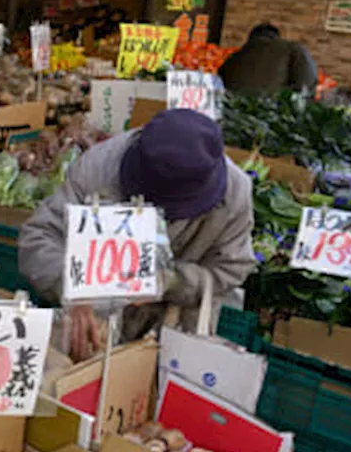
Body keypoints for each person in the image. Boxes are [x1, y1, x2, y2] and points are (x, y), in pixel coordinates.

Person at [17, 109, 255, 361]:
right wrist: (70, 289)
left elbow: (230, 269)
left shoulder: (234, 194)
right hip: (91, 328)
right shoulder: (99, 168)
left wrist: (169, 281)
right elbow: (39, 236)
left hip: (176, 332)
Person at [219, 23, 319, 96]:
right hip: (273, 114)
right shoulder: (292, 49)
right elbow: (308, 84)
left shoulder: (232, 58)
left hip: (234, 114)